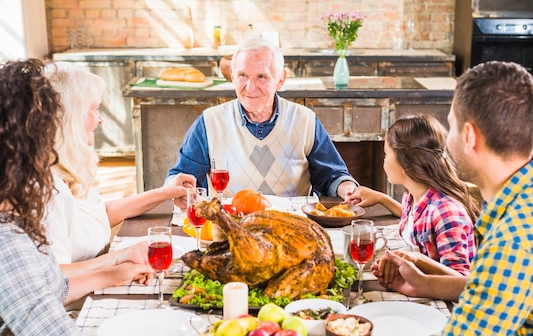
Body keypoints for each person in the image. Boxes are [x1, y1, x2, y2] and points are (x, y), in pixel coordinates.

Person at [0, 59, 265, 336]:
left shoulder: (1, 213)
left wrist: (114, 271)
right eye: (46, 128)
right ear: (16, 144)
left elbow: (43, 288)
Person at [241, 61, 533, 336]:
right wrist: (426, 283)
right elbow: (496, 289)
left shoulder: (518, 235)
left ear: (469, 136)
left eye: (452, 127)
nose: (447, 139)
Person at [43, 63, 196, 275]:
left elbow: (100, 214)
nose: (100, 119)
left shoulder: (68, 167)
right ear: (71, 117)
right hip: (82, 303)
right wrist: (116, 260)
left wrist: (165, 193)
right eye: (95, 109)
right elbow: (53, 279)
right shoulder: (47, 190)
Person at [165, 37, 359, 201]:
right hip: (231, 229)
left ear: (280, 79)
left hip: (291, 228)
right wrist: (179, 191)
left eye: (261, 77)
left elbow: (332, 175)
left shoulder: (305, 120)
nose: (250, 87)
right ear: (232, 76)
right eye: (242, 75)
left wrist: (346, 187)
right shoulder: (209, 123)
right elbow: (180, 178)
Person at [351, 114, 480, 276]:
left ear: (404, 161)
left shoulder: (446, 212)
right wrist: (381, 198)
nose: (383, 161)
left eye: (386, 155)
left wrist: (417, 259)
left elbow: (461, 281)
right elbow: (415, 221)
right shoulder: (412, 196)